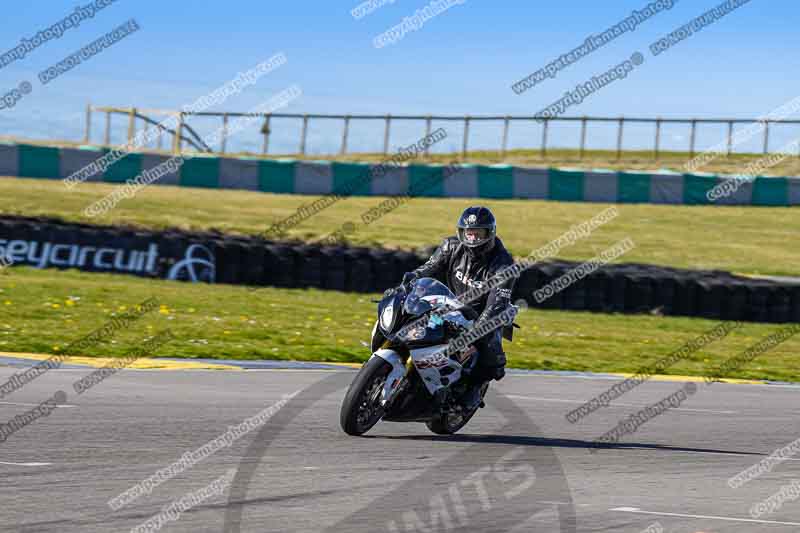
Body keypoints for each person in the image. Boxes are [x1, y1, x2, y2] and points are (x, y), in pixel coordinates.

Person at [399, 206, 515, 410]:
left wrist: (479, 328)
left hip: (480, 314)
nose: (472, 239)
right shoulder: (450, 246)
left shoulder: (503, 265)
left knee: (489, 347)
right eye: (468, 233)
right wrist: (412, 278)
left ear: (490, 233)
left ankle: (473, 390)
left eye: (478, 234)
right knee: (411, 319)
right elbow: (428, 269)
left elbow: (496, 303)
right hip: (446, 302)